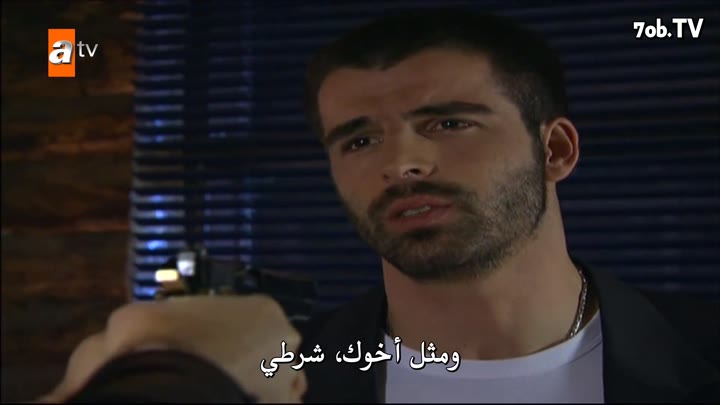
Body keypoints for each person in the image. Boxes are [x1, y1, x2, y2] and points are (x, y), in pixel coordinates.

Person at [36, 8, 719, 403]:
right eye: (360, 139)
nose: (401, 163)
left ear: (556, 150)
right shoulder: (278, 379)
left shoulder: (701, 351)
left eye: (449, 122)